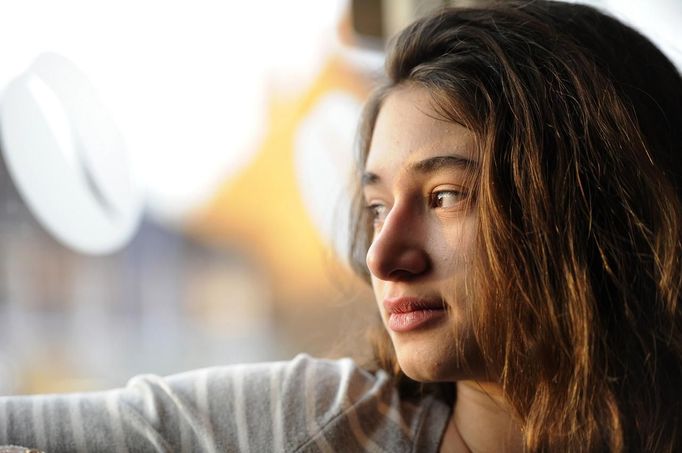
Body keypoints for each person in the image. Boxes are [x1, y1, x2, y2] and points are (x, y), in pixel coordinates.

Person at [2, 1, 681, 451]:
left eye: (446, 196)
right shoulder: (318, 423)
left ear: (602, 211)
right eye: (378, 207)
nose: (384, 257)